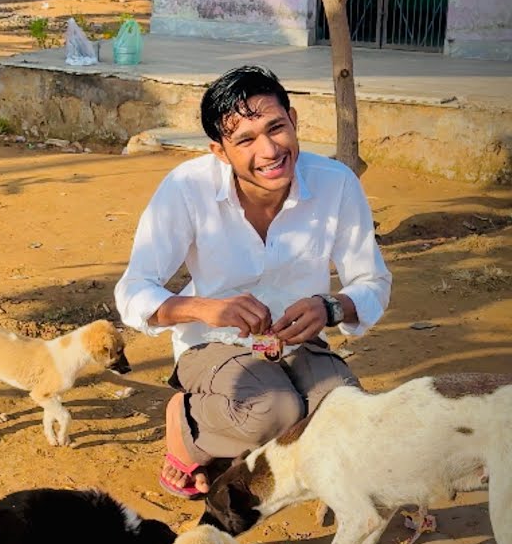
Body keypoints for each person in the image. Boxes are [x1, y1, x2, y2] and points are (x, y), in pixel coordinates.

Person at [114, 65, 391, 498]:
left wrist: (329, 307)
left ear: (294, 120)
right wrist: (205, 308)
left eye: (276, 128)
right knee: (275, 410)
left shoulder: (336, 184)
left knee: (350, 420)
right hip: (212, 344)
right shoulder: (187, 188)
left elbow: (373, 281)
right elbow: (133, 290)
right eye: (245, 140)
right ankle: (186, 426)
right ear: (220, 151)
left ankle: (243, 437)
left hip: (299, 344)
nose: (269, 150)